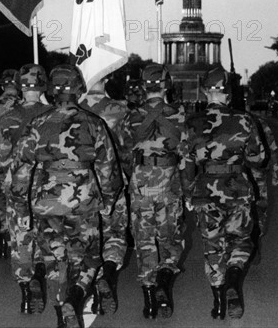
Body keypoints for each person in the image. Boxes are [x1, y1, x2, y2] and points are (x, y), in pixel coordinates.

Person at [11, 64, 122, 328]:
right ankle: (75, 297)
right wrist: (107, 201)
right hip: (83, 199)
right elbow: (109, 170)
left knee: (53, 259)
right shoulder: (95, 123)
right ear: (79, 90)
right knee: (88, 257)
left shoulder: (37, 123)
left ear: (50, 92)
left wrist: (22, 210)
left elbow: (20, 171)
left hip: (46, 200)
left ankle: (62, 312)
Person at [182, 67, 266, 320]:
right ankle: (234, 277)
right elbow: (259, 159)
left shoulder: (192, 123)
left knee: (212, 246)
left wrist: (188, 193)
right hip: (237, 188)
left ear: (206, 91)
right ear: (228, 93)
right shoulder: (245, 120)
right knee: (241, 240)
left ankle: (219, 302)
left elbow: (186, 163)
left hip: (205, 189)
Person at [126, 63, 186, 319]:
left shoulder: (132, 117)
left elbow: (125, 151)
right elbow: (186, 154)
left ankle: (149, 301)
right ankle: (164, 280)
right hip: (169, 183)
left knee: (144, 241)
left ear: (142, 86)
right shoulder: (179, 115)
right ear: (166, 85)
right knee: (170, 239)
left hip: (140, 184)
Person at [0, 63, 52, 314]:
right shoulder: (55, 115)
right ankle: (41, 270)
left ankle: (27, 292)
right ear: (43, 86)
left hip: (17, 186)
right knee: (45, 234)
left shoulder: (7, 118)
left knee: (20, 238)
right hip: (48, 185)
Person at [79, 76, 132, 315]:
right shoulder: (120, 110)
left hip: (81, 185)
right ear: (108, 75)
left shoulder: (75, 108)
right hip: (113, 180)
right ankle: (108, 274)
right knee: (115, 234)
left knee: (87, 239)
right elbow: (129, 150)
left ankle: (86, 285)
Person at [0, 68, 21, 258]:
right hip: (20, 164)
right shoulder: (24, 106)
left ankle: (3, 239)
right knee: (18, 203)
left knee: (1, 203)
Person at [247, 114, 278, 264]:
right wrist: (276, 174)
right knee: (258, 212)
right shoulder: (258, 122)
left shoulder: (224, 119)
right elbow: (272, 149)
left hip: (229, 175)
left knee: (232, 214)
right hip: (256, 174)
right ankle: (253, 246)